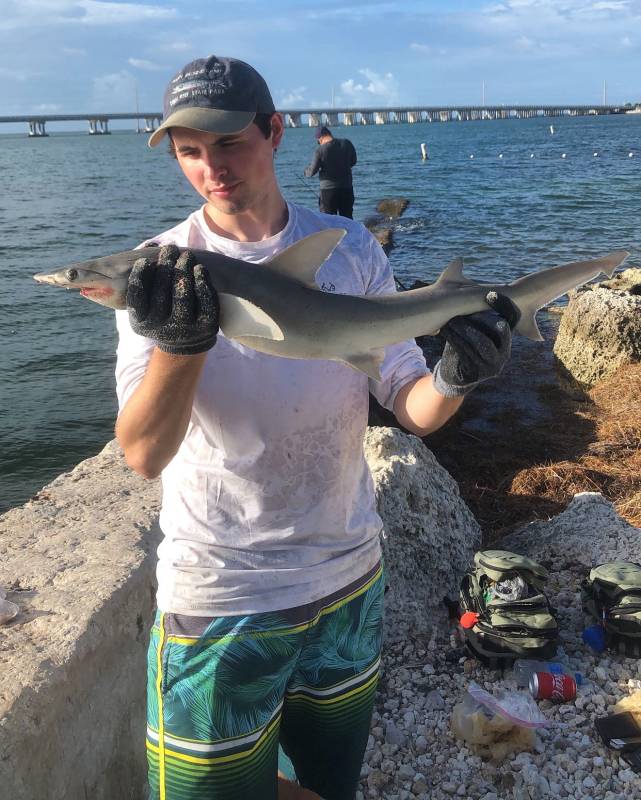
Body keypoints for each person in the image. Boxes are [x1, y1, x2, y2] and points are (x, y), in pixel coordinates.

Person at [114, 54, 518, 800]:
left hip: (346, 582)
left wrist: (457, 376)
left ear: (275, 132)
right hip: (220, 598)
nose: (212, 168)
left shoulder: (351, 250)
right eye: (189, 152)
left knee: (327, 784)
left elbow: (410, 406)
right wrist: (179, 344)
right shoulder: (160, 273)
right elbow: (142, 453)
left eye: (229, 142)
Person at [304, 126, 357, 218]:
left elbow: (312, 171)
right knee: (348, 219)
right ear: (330, 134)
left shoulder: (320, 150)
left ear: (320, 138)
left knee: (329, 221)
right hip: (347, 188)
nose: (319, 143)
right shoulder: (347, 143)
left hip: (328, 192)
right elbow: (353, 161)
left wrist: (305, 172)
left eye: (318, 142)